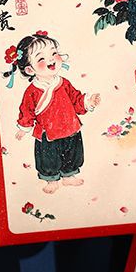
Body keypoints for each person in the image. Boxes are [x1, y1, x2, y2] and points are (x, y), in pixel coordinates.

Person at [13, 31, 99, 193]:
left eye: (53, 53)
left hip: (70, 127)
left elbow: (76, 100)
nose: (51, 60)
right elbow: (27, 110)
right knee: (49, 157)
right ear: (30, 70)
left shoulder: (64, 83)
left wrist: (88, 101)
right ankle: (51, 178)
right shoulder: (32, 91)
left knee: (73, 153)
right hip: (48, 133)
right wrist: (24, 127)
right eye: (41, 59)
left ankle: (69, 175)